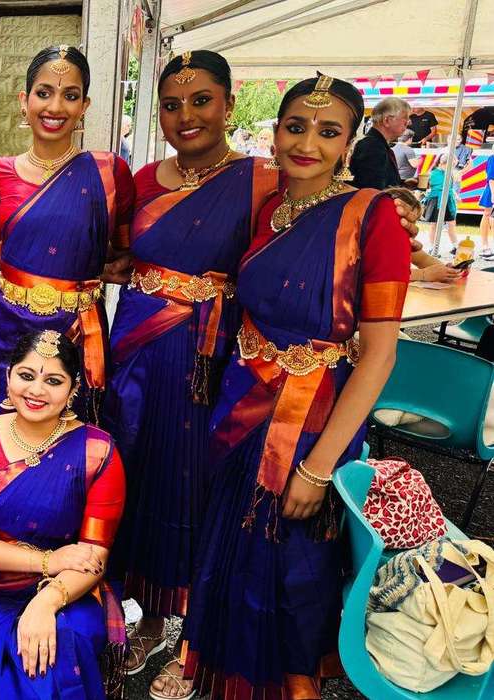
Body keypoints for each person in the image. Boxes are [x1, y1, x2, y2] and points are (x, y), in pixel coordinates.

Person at [182, 75, 409, 699]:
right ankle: (220, 673)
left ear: (350, 142)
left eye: (328, 131)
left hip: (313, 419)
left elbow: (380, 355)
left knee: (290, 561)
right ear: (276, 131)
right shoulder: (270, 208)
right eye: (295, 127)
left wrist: (318, 466)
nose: (307, 143)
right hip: (241, 397)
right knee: (228, 540)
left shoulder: (373, 217)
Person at [102, 50, 279, 700]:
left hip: (211, 357)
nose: (186, 115)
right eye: (171, 104)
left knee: (198, 484)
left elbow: (307, 233)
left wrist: (386, 210)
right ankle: (147, 616)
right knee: (136, 471)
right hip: (137, 348)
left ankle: (193, 633)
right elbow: (119, 251)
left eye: (201, 100)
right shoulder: (144, 179)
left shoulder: (262, 181)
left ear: (229, 103)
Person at [0, 330, 126, 699]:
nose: (37, 390)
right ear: (8, 377)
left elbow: (95, 557)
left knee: (56, 653)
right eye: (26, 376)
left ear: (74, 390)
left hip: (69, 590)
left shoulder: (97, 451)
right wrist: (47, 560)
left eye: (54, 381)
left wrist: (47, 602)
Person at [0, 45, 134, 422]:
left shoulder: (109, 173)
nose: (55, 107)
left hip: (77, 330)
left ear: (85, 106)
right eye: (44, 92)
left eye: (71, 95)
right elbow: (3, 251)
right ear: (24, 100)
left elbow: (125, 253)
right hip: (7, 328)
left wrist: (87, 269)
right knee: (2, 433)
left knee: (70, 437)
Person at [350, 96, 409, 190]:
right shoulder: (372, 147)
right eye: (405, 122)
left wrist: (403, 184)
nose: (406, 127)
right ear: (387, 121)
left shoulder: (375, 144)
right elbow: (373, 190)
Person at [422, 153, 461, 252]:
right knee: (434, 224)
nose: (452, 167)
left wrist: (455, 195)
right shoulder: (432, 173)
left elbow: (450, 187)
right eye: (451, 165)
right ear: (443, 163)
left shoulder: (449, 173)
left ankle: (455, 246)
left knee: (451, 223)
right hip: (435, 200)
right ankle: (432, 247)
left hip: (448, 200)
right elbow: (424, 187)